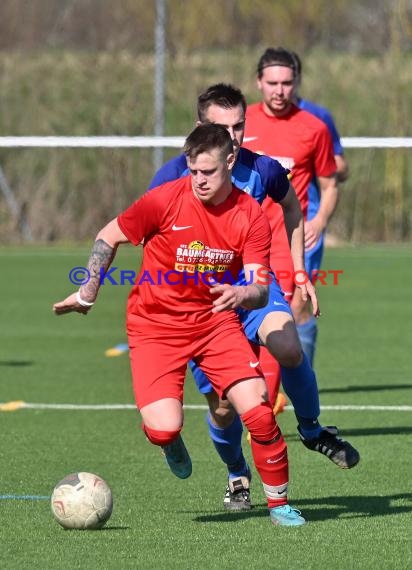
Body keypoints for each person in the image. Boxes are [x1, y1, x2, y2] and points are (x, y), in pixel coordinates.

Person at [53, 123, 306, 527]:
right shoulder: (164, 200)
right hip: (155, 326)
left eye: (208, 172)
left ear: (230, 161)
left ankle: (280, 505)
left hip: (215, 324)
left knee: (258, 409)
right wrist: (88, 291)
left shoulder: (251, 215)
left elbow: (259, 288)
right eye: (193, 172)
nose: (199, 181)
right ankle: (168, 442)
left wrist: (242, 295)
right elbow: (109, 235)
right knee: (164, 427)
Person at [149, 84, 360, 511]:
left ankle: (313, 429)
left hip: (254, 288)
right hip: (202, 309)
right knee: (224, 409)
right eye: (219, 127)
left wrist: (300, 270)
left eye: (239, 126)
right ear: (198, 127)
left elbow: (293, 209)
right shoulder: (173, 176)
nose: (232, 136)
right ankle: (236, 474)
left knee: (288, 344)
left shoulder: (262, 169)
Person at [244, 47, 340, 375]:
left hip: (288, 243)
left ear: (296, 82)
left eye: (286, 82)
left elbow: (330, 184)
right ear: (259, 82)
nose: (280, 90)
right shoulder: (240, 124)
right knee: (241, 317)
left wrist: (319, 220)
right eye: (272, 82)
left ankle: (295, 395)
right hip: (240, 242)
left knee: (292, 317)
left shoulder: (314, 127)